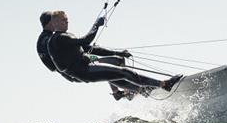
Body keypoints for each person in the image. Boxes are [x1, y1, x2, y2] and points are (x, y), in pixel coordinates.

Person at [36, 10, 182, 99]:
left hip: (83, 66)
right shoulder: (56, 38)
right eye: (64, 20)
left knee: (116, 73)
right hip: (81, 70)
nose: (67, 22)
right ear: (53, 22)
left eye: (67, 20)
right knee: (122, 71)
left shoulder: (60, 37)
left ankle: (140, 89)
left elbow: (89, 48)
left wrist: (117, 52)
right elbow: (85, 41)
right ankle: (163, 84)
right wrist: (96, 25)